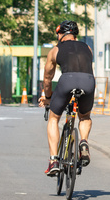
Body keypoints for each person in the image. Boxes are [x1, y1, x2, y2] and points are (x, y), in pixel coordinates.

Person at [38, 20, 96, 176]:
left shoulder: (55, 51)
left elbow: (48, 79)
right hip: (88, 81)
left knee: (54, 118)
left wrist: (48, 97)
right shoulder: (88, 48)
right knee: (84, 117)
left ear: (60, 34)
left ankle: (53, 161)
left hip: (67, 80)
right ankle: (83, 142)